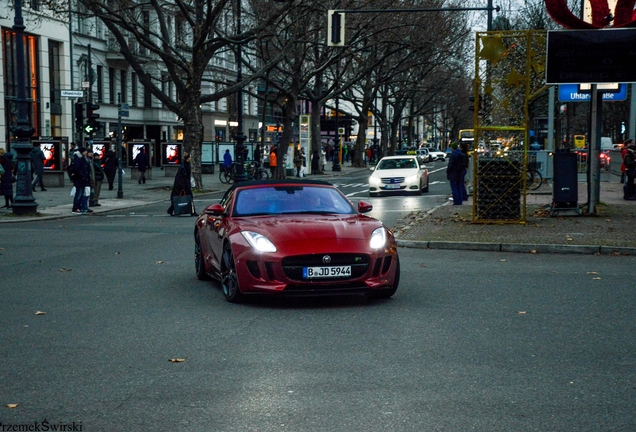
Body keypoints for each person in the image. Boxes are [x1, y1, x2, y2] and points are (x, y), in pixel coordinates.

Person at [167, 152, 197, 216]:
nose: (190, 158)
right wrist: (183, 186)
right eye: (189, 157)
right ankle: (192, 212)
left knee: (179, 197)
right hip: (182, 185)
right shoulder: (184, 167)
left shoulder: (185, 165)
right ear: (187, 158)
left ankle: (171, 210)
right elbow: (181, 177)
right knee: (187, 197)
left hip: (182, 185)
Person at [71, 147, 91, 214]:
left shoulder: (82, 159)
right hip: (79, 179)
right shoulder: (79, 159)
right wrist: (82, 175)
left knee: (81, 194)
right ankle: (75, 208)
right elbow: (77, 169)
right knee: (79, 194)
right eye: (85, 151)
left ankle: (79, 207)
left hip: (82, 179)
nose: (86, 152)